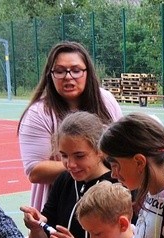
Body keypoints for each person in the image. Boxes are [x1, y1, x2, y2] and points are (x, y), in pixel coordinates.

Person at [18, 41, 122, 211]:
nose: (68, 76)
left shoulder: (106, 100)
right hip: (61, 204)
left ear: (87, 72)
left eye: (76, 70)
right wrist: (87, 163)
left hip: (107, 201)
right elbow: (35, 171)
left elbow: (121, 146)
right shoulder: (38, 113)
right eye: (59, 71)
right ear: (50, 75)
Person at [21, 111, 116, 238]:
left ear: (100, 150)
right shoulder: (64, 181)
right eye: (64, 156)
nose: (70, 164)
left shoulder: (116, 187)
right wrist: (36, 228)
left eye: (79, 156)